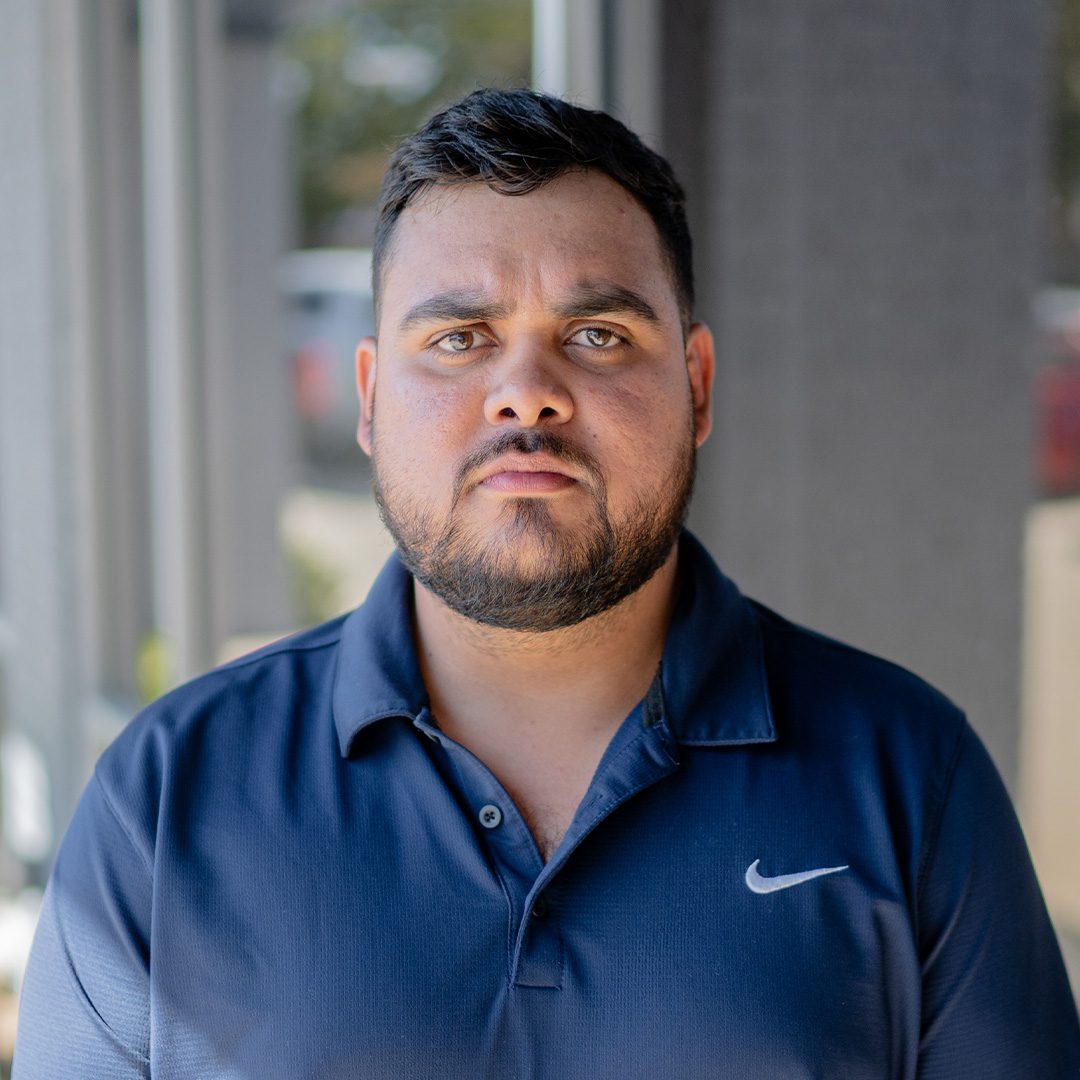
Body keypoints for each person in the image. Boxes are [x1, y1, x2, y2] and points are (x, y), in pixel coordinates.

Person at [13, 88, 1080, 1079]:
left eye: (598, 335)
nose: (526, 395)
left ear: (697, 385)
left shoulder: (910, 776)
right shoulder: (168, 796)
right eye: (459, 338)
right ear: (372, 398)